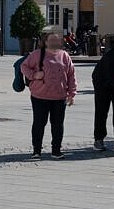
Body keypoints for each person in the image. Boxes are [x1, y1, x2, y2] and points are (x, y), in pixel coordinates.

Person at [21, 29, 77, 159]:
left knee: (58, 125)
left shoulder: (64, 56)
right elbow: (23, 66)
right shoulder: (37, 55)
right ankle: (36, 150)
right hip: (40, 96)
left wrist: (72, 93)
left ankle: (56, 150)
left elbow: (71, 75)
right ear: (45, 42)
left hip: (59, 96)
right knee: (39, 123)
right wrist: (34, 75)